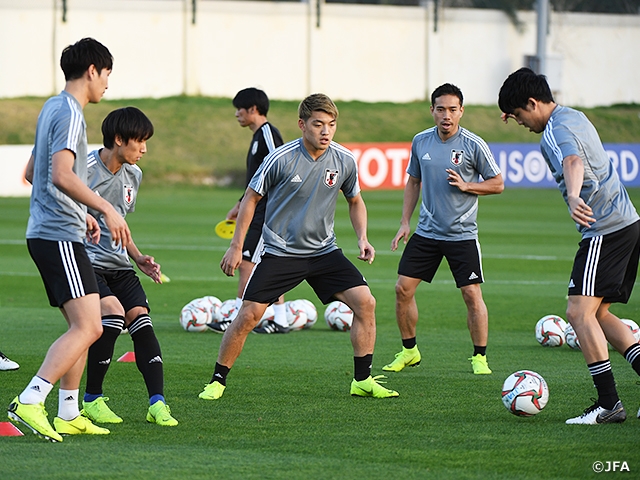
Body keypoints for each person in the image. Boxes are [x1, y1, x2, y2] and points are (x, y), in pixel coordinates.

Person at [199, 93, 399, 400]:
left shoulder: (343, 159)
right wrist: (236, 247)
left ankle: (362, 379)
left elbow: (355, 200)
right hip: (281, 252)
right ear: (302, 124)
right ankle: (217, 381)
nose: (325, 131)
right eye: (318, 124)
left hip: (324, 252)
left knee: (366, 303)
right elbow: (251, 198)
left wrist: (362, 238)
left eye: (331, 125)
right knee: (249, 315)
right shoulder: (281, 158)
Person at [499, 67, 640, 425]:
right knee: (600, 314)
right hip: (627, 223)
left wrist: (575, 194)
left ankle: (609, 403)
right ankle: (613, 401)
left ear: (532, 103)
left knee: (578, 313)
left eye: (519, 115)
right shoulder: (572, 116)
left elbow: (572, 161)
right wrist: (510, 105)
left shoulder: (555, 131)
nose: (520, 123)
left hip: (603, 228)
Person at [8, 38, 131, 442]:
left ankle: (68, 412)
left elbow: (32, 170)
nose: (108, 84)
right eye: (108, 74)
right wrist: (105, 209)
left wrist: (82, 214)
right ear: (93, 70)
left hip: (59, 230)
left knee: (89, 322)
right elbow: (61, 173)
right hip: (57, 235)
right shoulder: (72, 113)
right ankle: (30, 398)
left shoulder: (51, 107)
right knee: (89, 326)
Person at [383, 83, 504, 376]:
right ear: (432, 111)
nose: (446, 115)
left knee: (472, 295)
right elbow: (413, 181)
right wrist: (404, 222)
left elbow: (498, 183)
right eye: (440, 109)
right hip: (427, 232)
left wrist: (468, 186)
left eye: (452, 109)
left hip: (462, 235)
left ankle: (479, 357)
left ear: (461, 111)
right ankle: (410, 351)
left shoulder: (474, 144)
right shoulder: (421, 141)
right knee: (402, 289)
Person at [79, 107, 178, 427]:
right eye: (140, 141)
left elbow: (120, 225)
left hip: (120, 264)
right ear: (119, 140)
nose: (145, 149)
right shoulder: (85, 169)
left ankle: (157, 403)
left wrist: (138, 257)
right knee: (112, 314)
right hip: (86, 261)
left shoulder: (134, 175)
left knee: (142, 319)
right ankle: (92, 399)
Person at [208, 87, 289, 334]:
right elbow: (258, 178)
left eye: (239, 109)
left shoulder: (267, 134)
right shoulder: (258, 136)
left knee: (245, 261)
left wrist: (277, 206)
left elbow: (282, 167)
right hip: (260, 209)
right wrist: (241, 203)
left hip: (267, 212)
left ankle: (237, 317)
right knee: (268, 262)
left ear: (253, 110)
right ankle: (281, 319)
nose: (236, 114)